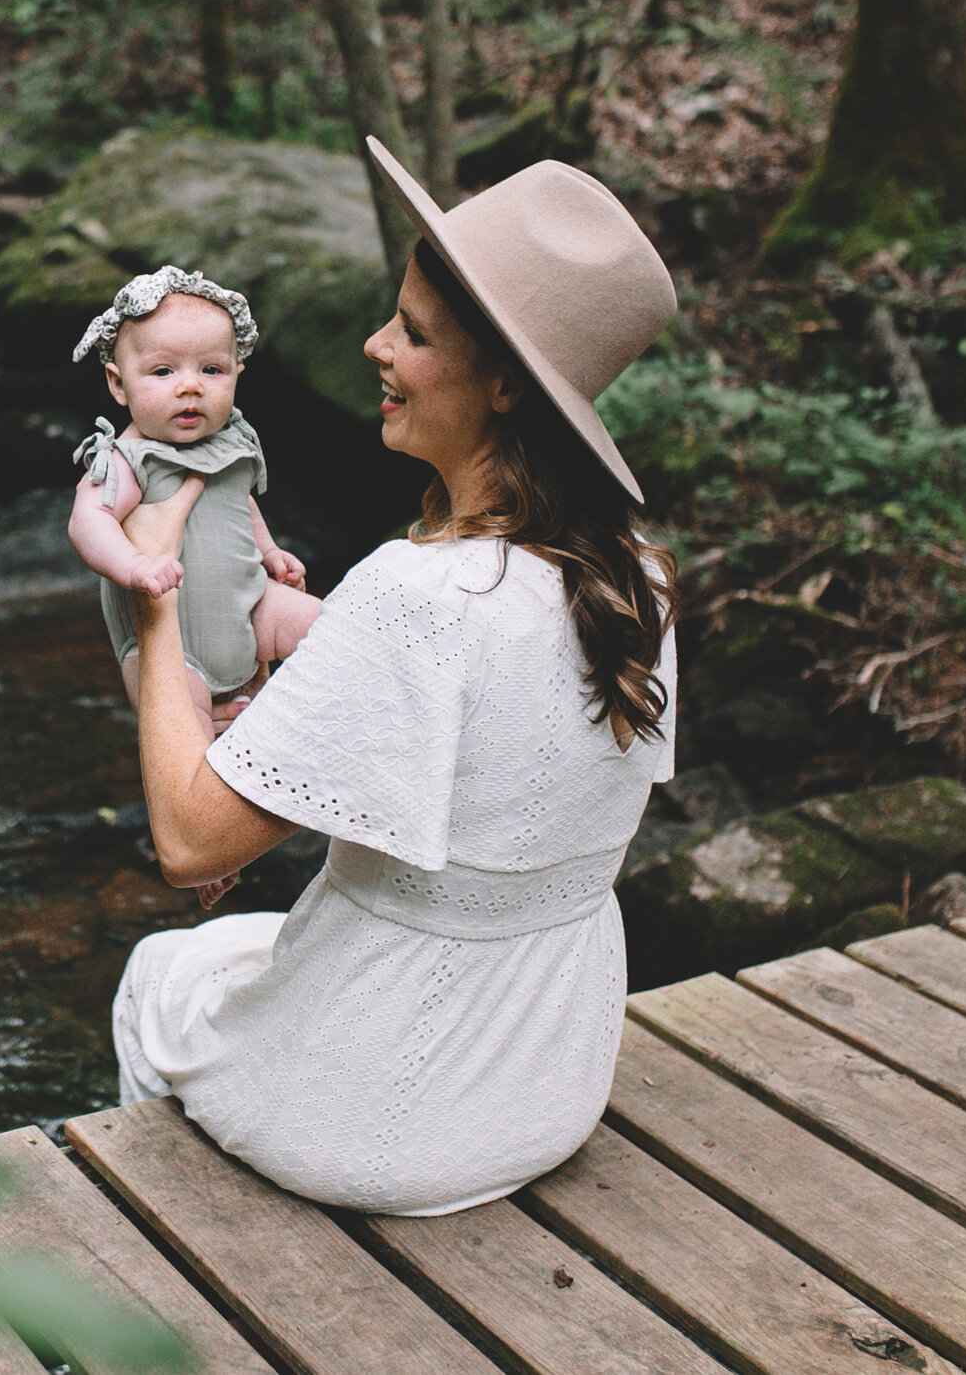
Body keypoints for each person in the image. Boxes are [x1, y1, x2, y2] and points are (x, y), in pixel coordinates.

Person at [108, 149, 681, 1216]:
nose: (373, 345)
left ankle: (179, 1252)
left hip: (381, 1124)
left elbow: (189, 843)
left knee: (157, 973)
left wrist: (155, 607)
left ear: (505, 381)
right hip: (549, 1087)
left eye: (412, 332)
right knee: (238, 947)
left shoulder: (415, 592)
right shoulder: (635, 575)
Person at [68, 267, 322, 744]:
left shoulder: (231, 441)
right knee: (190, 746)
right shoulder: (127, 459)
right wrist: (134, 565)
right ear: (119, 385)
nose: (191, 387)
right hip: (168, 649)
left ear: (236, 375)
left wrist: (269, 554)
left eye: (211, 370)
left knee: (329, 631)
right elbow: (88, 521)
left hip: (250, 607)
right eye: (164, 372)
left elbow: (239, 501)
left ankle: (313, 744)